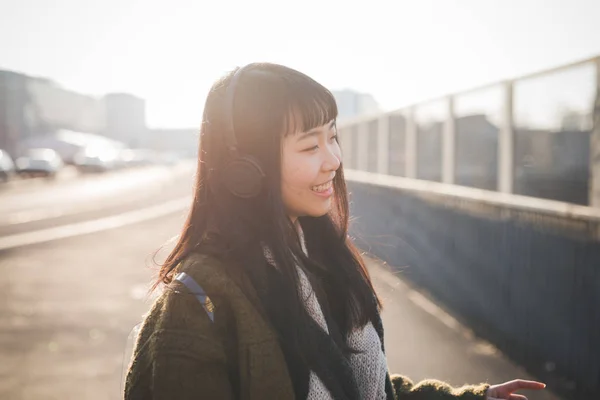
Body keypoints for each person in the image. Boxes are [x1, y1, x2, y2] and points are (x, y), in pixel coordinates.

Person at [123, 63, 547, 400]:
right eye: (310, 146)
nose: (334, 160)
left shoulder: (315, 256)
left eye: (333, 137)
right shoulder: (198, 301)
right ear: (245, 170)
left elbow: (356, 387)